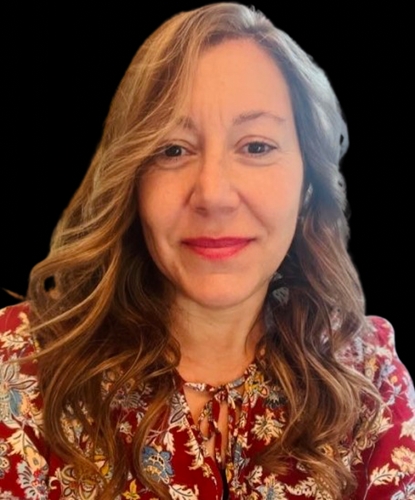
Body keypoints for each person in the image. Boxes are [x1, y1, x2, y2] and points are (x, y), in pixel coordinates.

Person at [0, 3, 414, 499]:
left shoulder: (371, 381)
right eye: (172, 149)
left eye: (256, 147)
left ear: (309, 181)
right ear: (131, 179)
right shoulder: (18, 365)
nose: (213, 195)